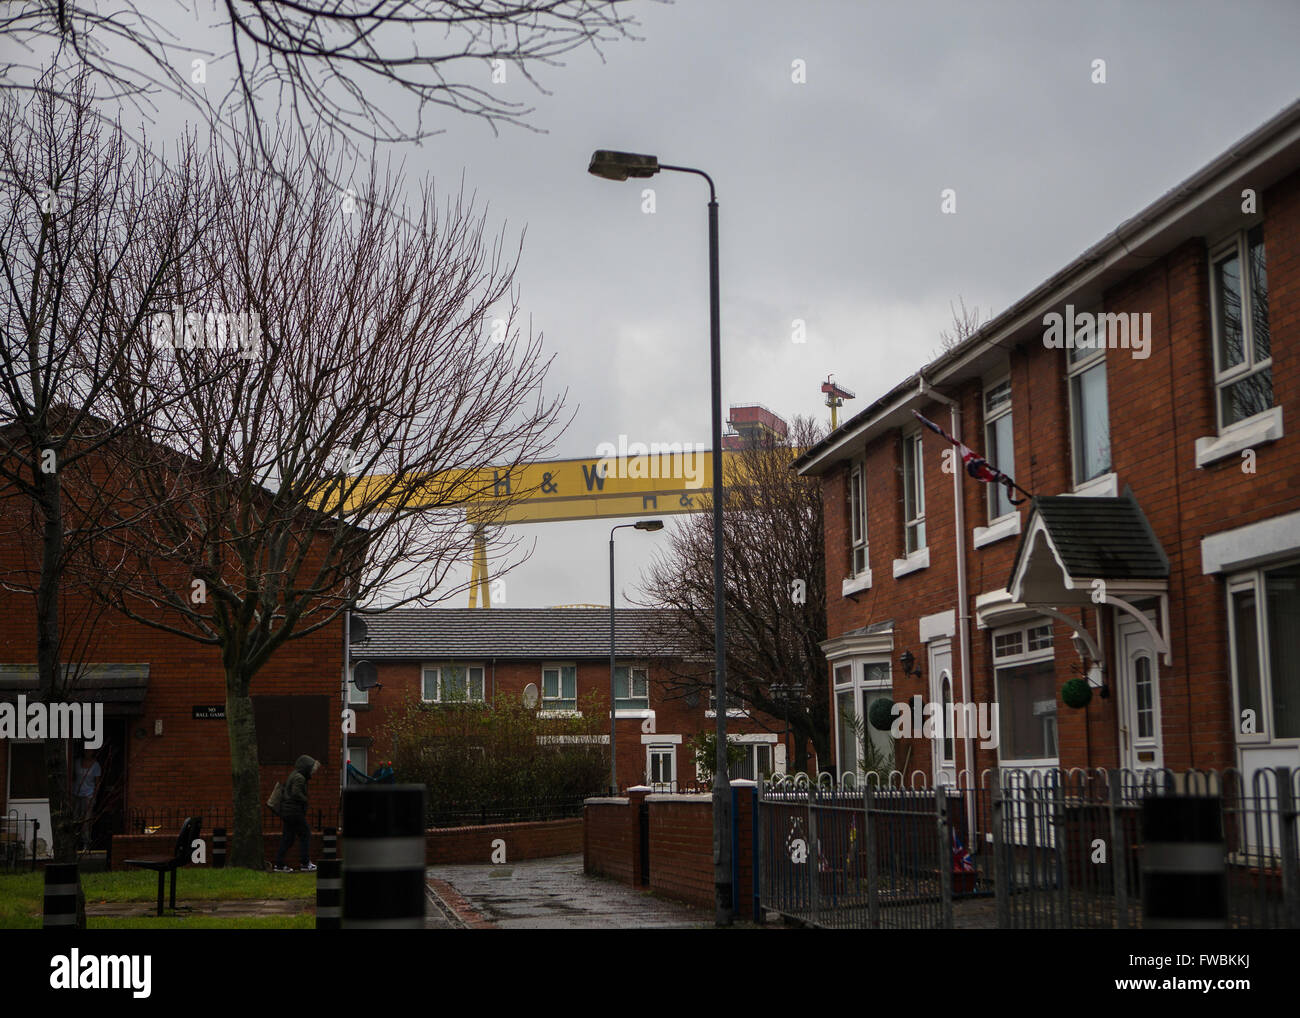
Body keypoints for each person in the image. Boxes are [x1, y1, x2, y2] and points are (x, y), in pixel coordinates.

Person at [274, 755, 319, 872]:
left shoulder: (294, 774)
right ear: (307, 767)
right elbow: (296, 793)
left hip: (288, 812)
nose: (313, 772)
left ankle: (279, 864)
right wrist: (306, 799)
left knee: (288, 838)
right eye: (312, 769)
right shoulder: (300, 777)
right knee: (305, 834)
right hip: (294, 811)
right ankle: (305, 863)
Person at [71, 747, 101, 851]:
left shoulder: (96, 765)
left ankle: (86, 844)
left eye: (90, 750)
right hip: (76, 794)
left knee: (86, 821)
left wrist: (94, 797)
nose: (88, 752)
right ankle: (73, 843)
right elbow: (72, 777)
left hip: (88, 795)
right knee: (75, 818)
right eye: (86, 750)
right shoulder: (76, 763)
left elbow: (97, 783)